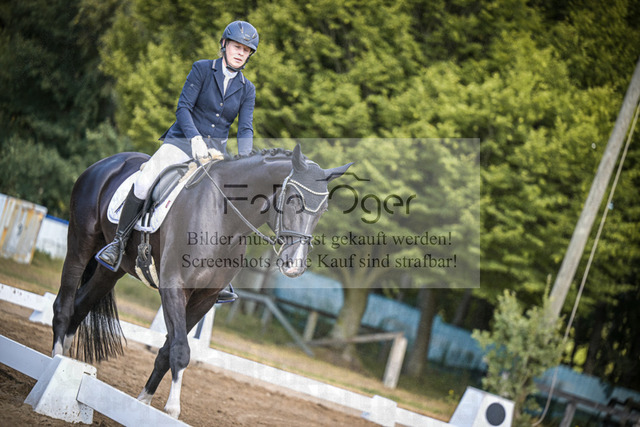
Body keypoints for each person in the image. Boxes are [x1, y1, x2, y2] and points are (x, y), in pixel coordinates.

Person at [96, 21, 259, 301]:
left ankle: (219, 274)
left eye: (246, 50)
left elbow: (245, 128)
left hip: (214, 155)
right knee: (145, 181)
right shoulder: (201, 69)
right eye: (237, 47)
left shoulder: (247, 89)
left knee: (229, 202)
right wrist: (194, 138)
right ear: (224, 44)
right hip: (182, 142)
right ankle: (118, 243)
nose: (241, 53)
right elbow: (183, 107)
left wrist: (245, 160)